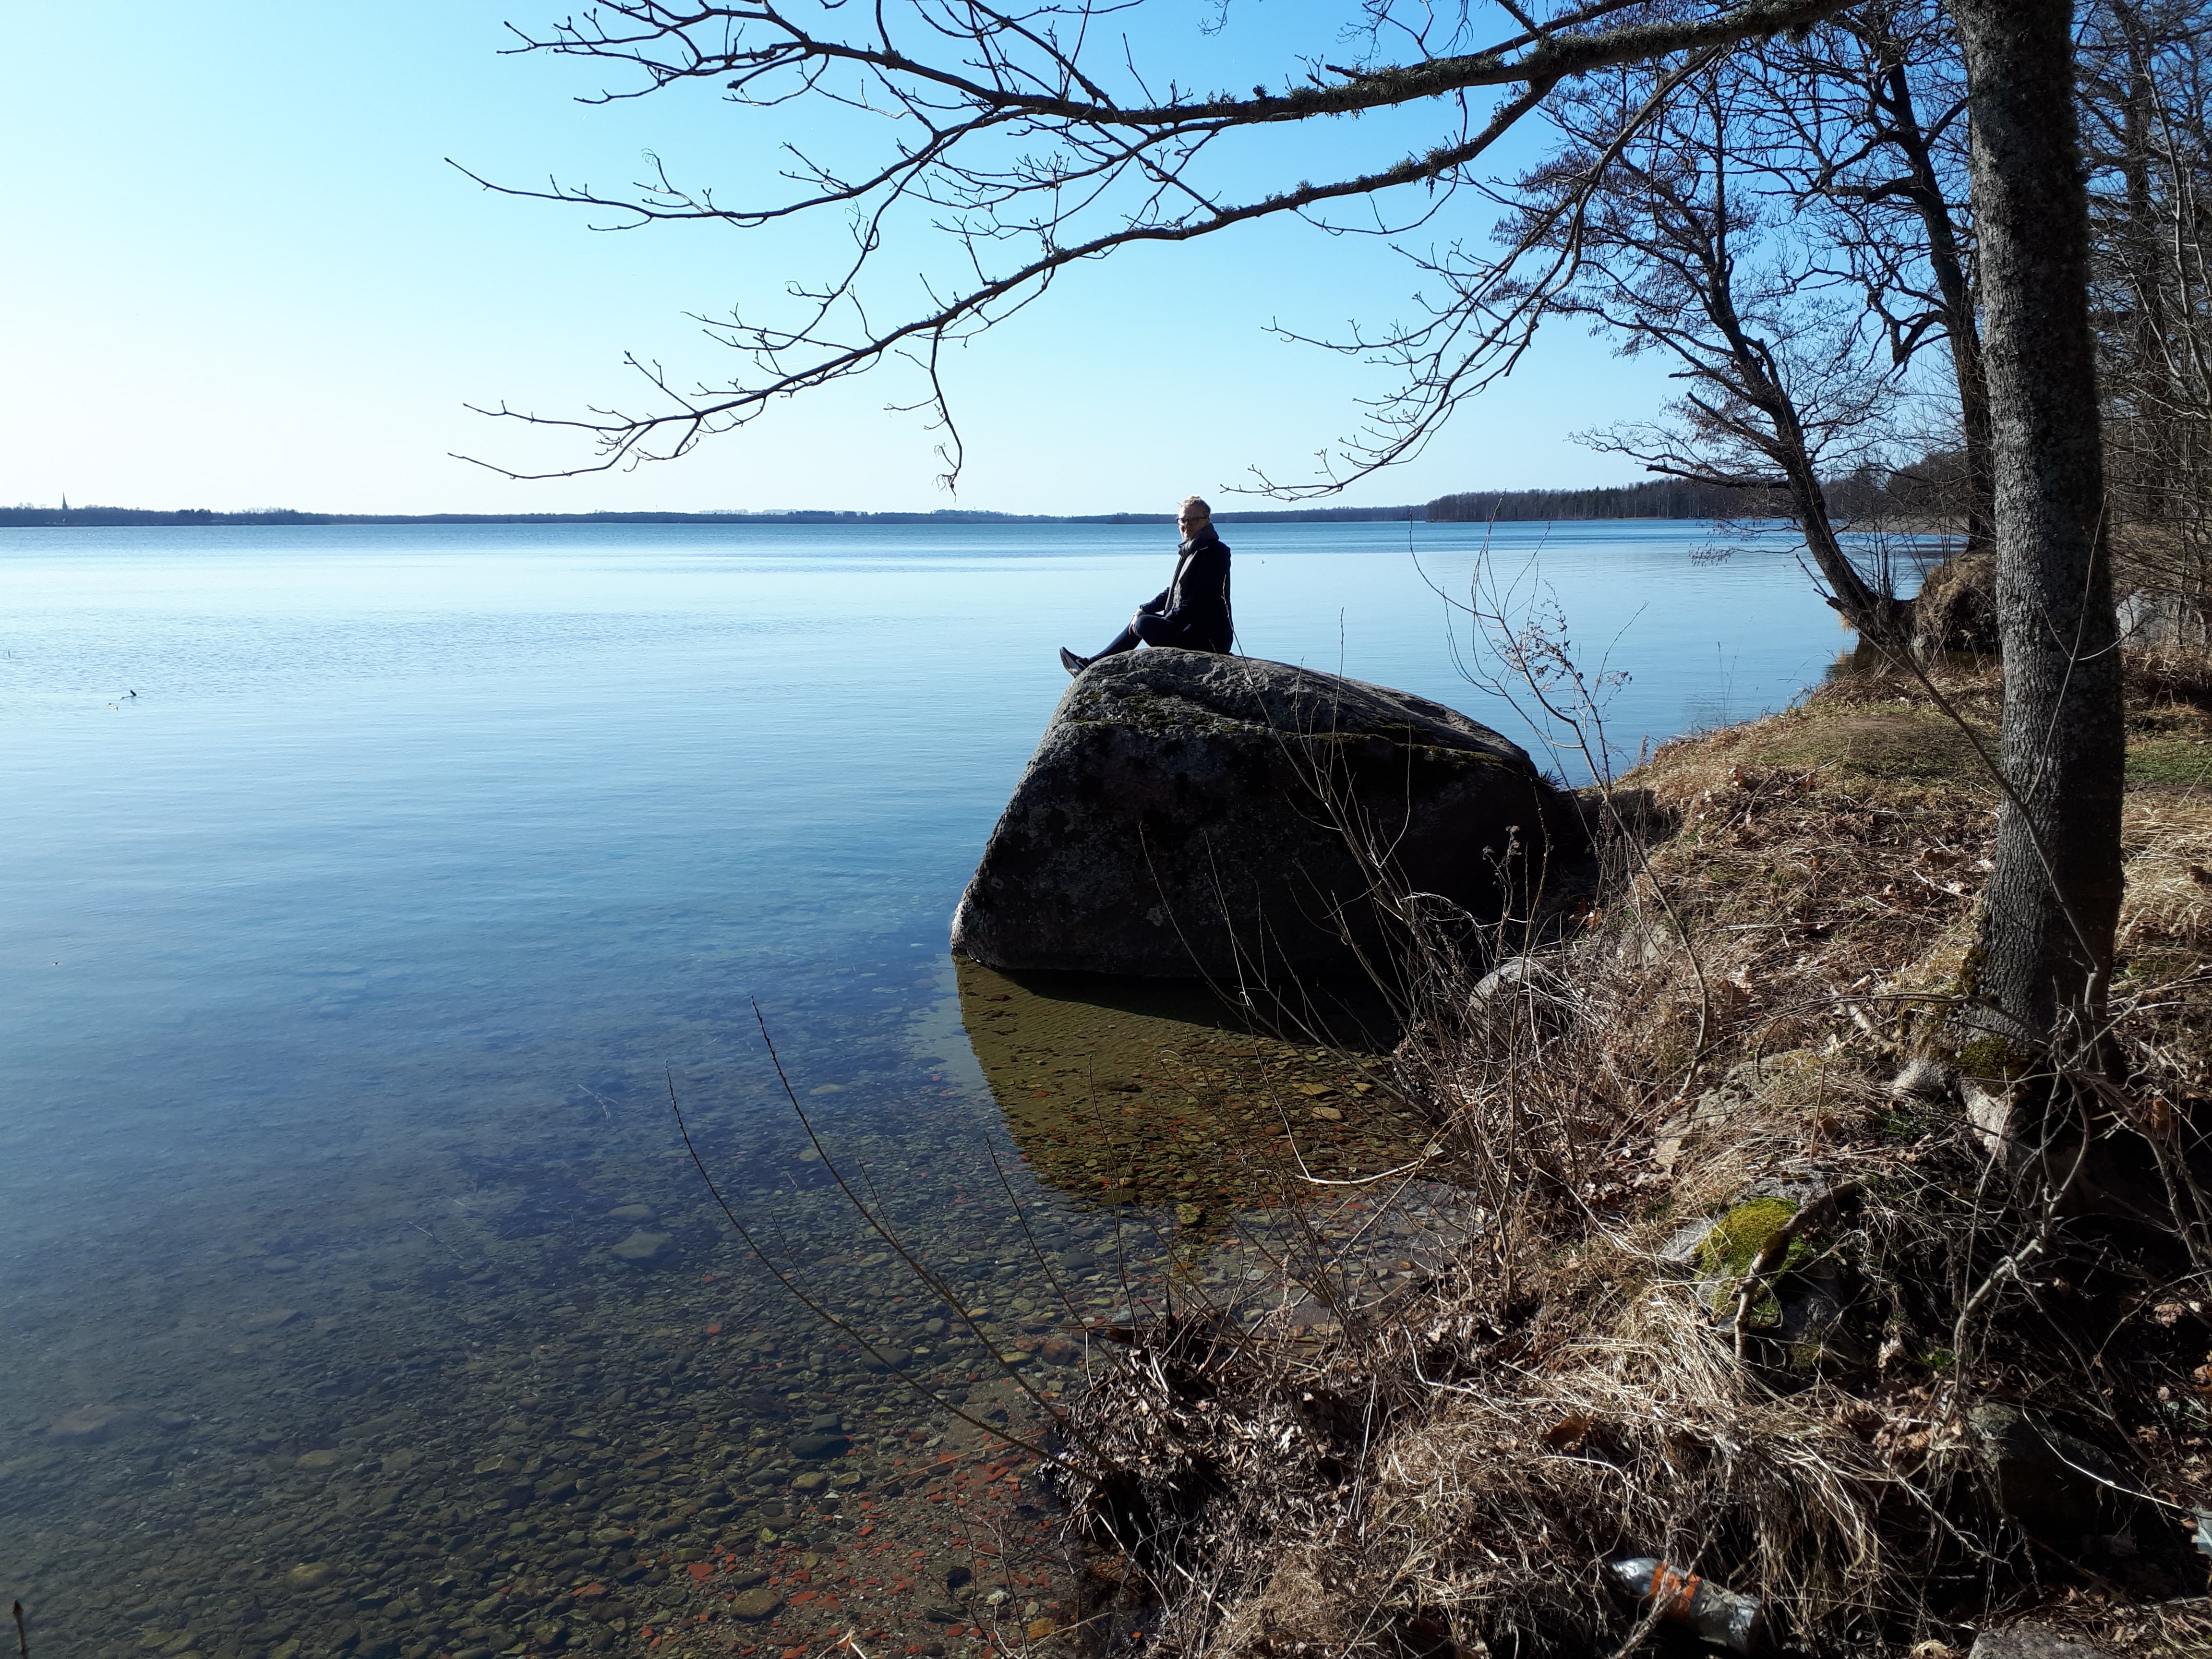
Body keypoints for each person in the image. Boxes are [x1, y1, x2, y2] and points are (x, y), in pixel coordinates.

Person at [1059, 496, 1233, 674]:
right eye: (1183, 520)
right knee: (1142, 618)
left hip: (1209, 638)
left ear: (1207, 521)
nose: (1187, 524)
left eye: (1194, 520)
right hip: (1188, 628)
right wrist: (1145, 608)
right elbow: (1172, 592)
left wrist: (1163, 621)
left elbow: (1197, 601)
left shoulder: (1215, 552)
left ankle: (1089, 665)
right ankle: (1090, 664)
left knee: (1144, 624)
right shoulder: (1191, 550)